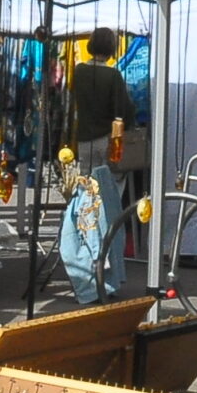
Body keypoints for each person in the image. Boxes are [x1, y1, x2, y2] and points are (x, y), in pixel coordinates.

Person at [61, 26, 137, 305]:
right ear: (112, 47)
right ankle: (107, 260)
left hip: (84, 141)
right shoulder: (113, 75)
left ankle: (87, 254)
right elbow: (124, 111)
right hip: (108, 140)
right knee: (109, 200)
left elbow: (72, 104)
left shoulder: (79, 71)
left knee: (86, 200)